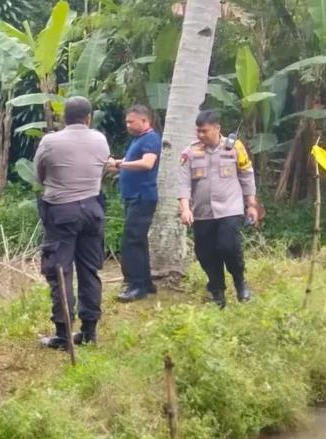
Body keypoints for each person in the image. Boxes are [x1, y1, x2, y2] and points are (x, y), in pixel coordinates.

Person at [32, 96, 111, 349]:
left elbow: (38, 176)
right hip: (92, 209)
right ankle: (89, 332)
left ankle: (63, 334)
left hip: (61, 212)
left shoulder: (50, 142)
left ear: (63, 117)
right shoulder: (100, 139)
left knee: (60, 271)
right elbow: (101, 170)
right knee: (89, 270)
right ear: (88, 117)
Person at [178, 110, 260, 307]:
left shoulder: (235, 147)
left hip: (229, 209)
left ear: (217, 128)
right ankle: (217, 291)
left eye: (204, 131)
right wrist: (185, 209)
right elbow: (183, 183)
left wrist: (251, 205)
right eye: (198, 131)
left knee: (228, 246)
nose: (200, 135)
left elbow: (247, 176)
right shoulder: (190, 152)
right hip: (202, 212)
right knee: (205, 253)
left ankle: (240, 282)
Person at [107, 104, 161, 302]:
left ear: (145, 121)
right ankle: (145, 282)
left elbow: (147, 163)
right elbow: (130, 162)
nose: (128, 125)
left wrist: (120, 164)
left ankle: (136, 285)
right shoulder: (138, 140)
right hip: (134, 197)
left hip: (142, 196)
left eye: (131, 121)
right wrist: (117, 164)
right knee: (139, 240)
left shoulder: (151, 138)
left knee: (132, 240)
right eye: (127, 122)